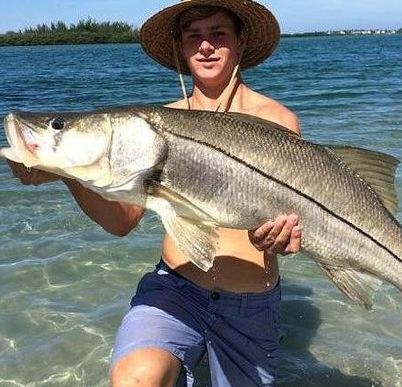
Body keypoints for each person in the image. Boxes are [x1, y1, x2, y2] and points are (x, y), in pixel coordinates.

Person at [7, 0, 301, 386]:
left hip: (250, 305)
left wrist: (285, 237)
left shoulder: (277, 122)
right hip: (174, 290)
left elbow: (292, 224)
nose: (206, 46)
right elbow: (121, 222)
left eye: (218, 33)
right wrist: (68, 173)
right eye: (194, 36)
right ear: (181, 47)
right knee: (135, 379)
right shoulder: (151, 126)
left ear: (241, 40)